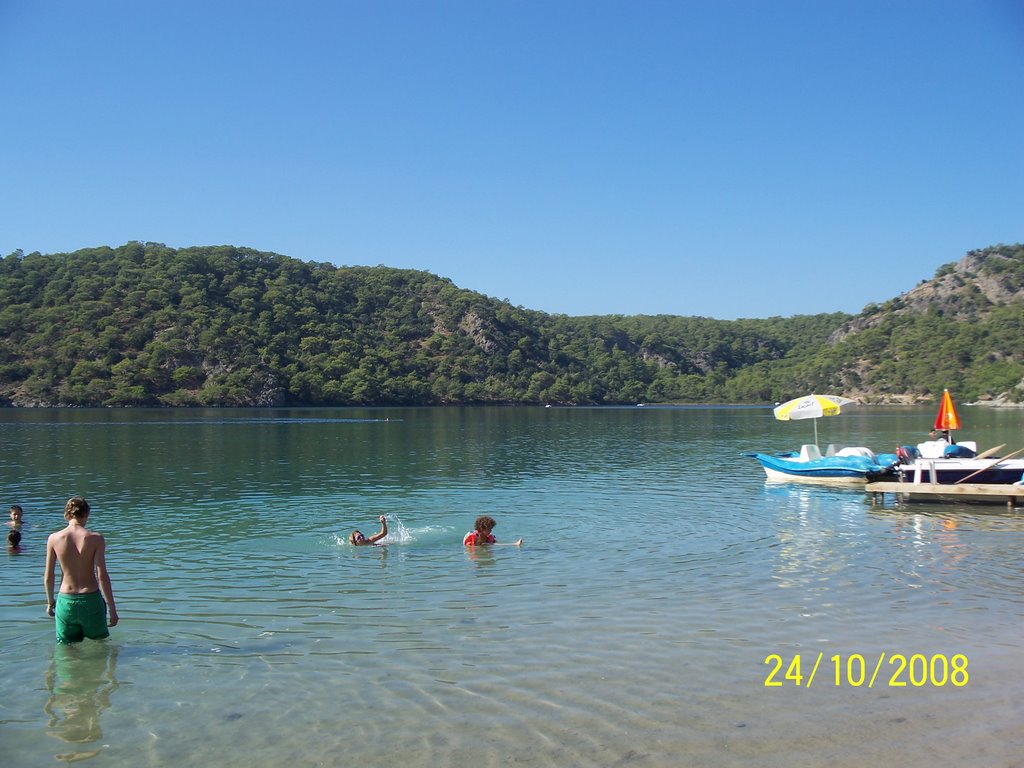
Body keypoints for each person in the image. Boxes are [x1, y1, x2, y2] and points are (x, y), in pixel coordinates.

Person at [43, 497, 119, 644]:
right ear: (86, 515)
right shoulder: (96, 539)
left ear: (66, 515)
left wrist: (50, 602)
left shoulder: (54, 538)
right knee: (100, 647)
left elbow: (48, 576)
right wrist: (112, 609)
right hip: (91, 600)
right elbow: (102, 576)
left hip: (66, 602)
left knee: (66, 649)